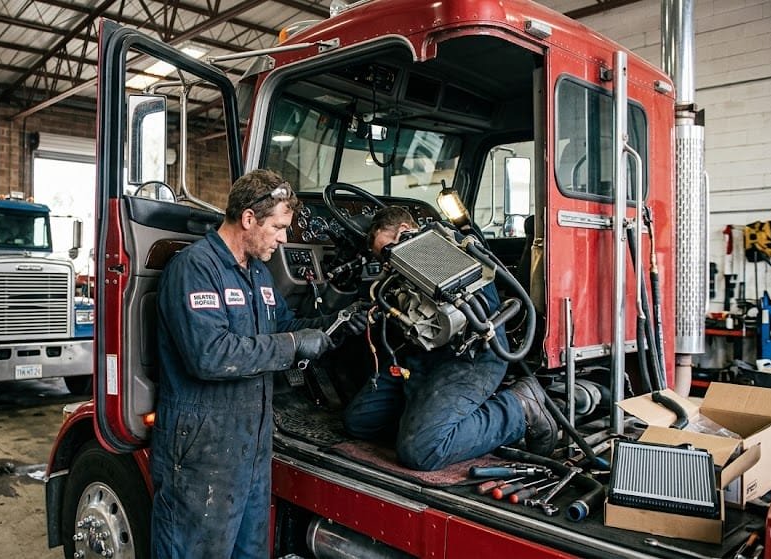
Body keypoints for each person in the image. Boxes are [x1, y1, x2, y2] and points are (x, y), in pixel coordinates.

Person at [152, 169, 364, 558]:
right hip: (203, 447)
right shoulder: (196, 269)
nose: (284, 238)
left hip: (251, 445)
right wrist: (294, 344)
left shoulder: (258, 274)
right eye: (279, 227)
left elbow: (283, 328)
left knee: (250, 551)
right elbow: (210, 355)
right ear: (248, 218)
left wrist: (338, 326)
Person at [343, 206, 556, 471]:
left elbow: (458, 313)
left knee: (421, 451)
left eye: (387, 251)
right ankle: (431, 422)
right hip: (421, 356)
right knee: (359, 421)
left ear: (405, 232)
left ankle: (520, 407)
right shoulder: (401, 269)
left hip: (470, 358)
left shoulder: (443, 248)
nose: (387, 264)